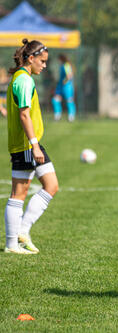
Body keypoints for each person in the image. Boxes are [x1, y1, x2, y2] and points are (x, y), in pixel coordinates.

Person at [4, 39, 59, 254]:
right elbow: (24, 114)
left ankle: (22, 233)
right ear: (31, 58)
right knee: (19, 193)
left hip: (27, 143)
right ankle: (12, 242)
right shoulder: (24, 80)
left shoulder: (20, 78)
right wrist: (34, 146)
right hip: (28, 143)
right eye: (42, 62)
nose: (44, 66)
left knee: (51, 185)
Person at [52, 53, 76, 122]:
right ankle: (57, 115)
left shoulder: (67, 65)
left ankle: (71, 116)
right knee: (55, 100)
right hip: (60, 86)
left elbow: (70, 75)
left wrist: (64, 81)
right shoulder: (62, 66)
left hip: (67, 86)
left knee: (69, 101)